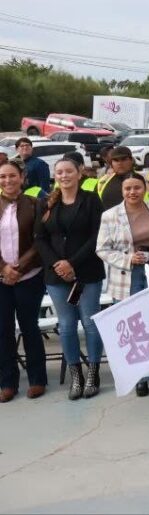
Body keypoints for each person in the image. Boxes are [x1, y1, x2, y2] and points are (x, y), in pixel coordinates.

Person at [35, 158, 105, 400]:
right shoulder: (46, 203)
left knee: (90, 322)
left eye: (68, 171)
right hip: (57, 275)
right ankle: (76, 375)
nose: (64, 176)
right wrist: (59, 265)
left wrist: (72, 263)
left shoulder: (91, 200)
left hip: (87, 272)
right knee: (66, 325)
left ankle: (94, 372)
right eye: (60, 172)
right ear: (55, 176)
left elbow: (97, 235)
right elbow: (40, 238)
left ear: (79, 173)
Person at [95, 173, 149, 396]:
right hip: (126, 275)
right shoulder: (110, 216)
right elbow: (102, 249)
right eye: (128, 188)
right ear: (122, 191)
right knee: (133, 327)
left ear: (145, 188)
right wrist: (128, 259)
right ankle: (139, 376)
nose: (132, 192)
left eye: (137, 187)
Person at [0, 159, 46, 401]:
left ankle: (37, 379)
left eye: (12, 176)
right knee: (2, 330)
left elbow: (40, 240)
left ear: (22, 177)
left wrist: (18, 268)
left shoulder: (34, 204)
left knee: (29, 327)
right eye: (2, 177)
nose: (7, 181)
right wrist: (4, 269)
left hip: (29, 276)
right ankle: (7, 382)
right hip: (1, 279)